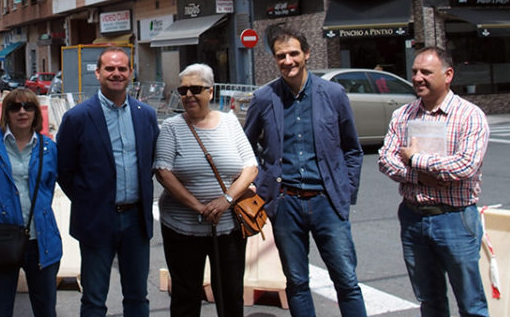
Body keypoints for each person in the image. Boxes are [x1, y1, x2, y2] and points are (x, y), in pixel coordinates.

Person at [243, 25, 367, 317]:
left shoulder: (333, 94)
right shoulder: (265, 98)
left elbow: (352, 148)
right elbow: (246, 147)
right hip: (285, 203)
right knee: (297, 283)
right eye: (281, 56)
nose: (288, 61)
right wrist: (264, 185)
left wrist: (345, 191)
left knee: (347, 281)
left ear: (307, 53)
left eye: (293, 53)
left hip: (328, 202)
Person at [378, 47, 490, 317]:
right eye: (415, 71)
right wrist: (420, 175)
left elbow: (465, 165)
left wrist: (415, 159)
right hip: (413, 218)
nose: (418, 78)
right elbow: (385, 160)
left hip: (455, 218)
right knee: (429, 301)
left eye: (426, 72)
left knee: (471, 303)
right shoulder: (402, 115)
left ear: (448, 75)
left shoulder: (469, 115)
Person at [57, 46, 159, 317]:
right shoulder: (77, 117)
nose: (116, 73)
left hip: (136, 220)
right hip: (96, 219)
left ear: (131, 73)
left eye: (122, 68)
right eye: (110, 68)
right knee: (94, 299)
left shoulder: (146, 115)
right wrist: (89, 199)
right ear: (98, 73)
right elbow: (64, 169)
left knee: (138, 297)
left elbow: (150, 161)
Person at [154, 63, 258, 317]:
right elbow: (163, 172)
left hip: (228, 228)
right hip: (181, 228)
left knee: (230, 294)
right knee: (185, 297)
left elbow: (251, 167)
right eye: (183, 90)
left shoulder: (230, 122)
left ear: (210, 92)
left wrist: (226, 200)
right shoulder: (172, 127)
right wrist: (199, 207)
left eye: (196, 89)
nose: (188, 95)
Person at [0, 88, 61, 317]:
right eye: (15, 107)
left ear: (36, 112)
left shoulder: (49, 148)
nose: (22, 112)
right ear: (6, 113)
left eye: (28, 106)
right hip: (0, 238)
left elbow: (48, 189)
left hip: (40, 240)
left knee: (46, 310)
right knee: (0, 309)